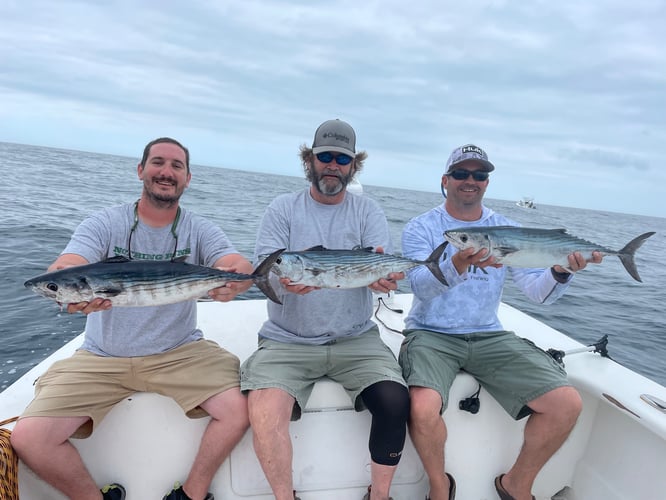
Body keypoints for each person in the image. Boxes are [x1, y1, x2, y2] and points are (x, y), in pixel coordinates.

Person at [11, 137, 252, 500]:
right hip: (103, 356)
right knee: (29, 439)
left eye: (176, 166)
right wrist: (64, 283)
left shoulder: (199, 229)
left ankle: (191, 494)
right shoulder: (105, 222)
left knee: (239, 410)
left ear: (188, 178)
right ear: (140, 170)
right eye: (157, 162)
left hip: (180, 351)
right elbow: (69, 264)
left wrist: (234, 280)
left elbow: (237, 264)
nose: (166, 172)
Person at [399, 144, 603, 500]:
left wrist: (562, 270)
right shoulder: (422, 227)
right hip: (432, 333)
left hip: (488, 335)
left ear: (487, 183)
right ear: (445, 180)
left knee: (566, 404)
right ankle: (439, 486)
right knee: (421, 407)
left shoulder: (505, 228)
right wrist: (459, 263)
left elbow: (538, 293)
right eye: (461, 173)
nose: (470, 181)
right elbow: (420, 287)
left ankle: (516, 485)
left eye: (479, 175)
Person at [240, 119, 410, 500]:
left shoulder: (368, 212)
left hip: (355, 338)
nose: (333, 165)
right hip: (288, 340)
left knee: (396, 400)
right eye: (325, 157)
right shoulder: (282, 208)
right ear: (310, 160)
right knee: (264, 413)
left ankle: (379, 496)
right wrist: (285, 281)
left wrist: (382, 278)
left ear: (353, 166)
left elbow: (377, 266)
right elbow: (268, 265)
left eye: (342, 159)